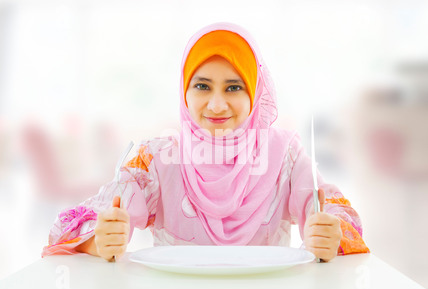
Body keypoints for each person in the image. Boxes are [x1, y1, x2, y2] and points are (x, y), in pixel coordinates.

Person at [42, 22, 369, 262]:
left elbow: (336, 216)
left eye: (233, 87)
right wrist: (100, 240)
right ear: (184, 91)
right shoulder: (156, 158)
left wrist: (329, 235)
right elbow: (77, 227)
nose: (215, 105)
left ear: (255, 93)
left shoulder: (285, 155)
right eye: (202, 86)